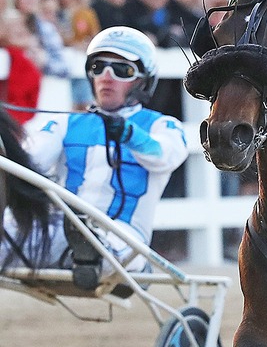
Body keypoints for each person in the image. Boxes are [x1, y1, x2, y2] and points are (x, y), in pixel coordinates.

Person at [10, 28, 189, 283]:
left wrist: (128, 134)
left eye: (121, 70)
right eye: (98, 67)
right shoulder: (68, 124)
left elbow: (165, 155)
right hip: (63, 231)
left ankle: (84, 256)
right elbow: (31, 161)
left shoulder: (161, 126)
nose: (106, 77)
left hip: (125, 238)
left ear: (142, 81)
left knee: (92, 248)